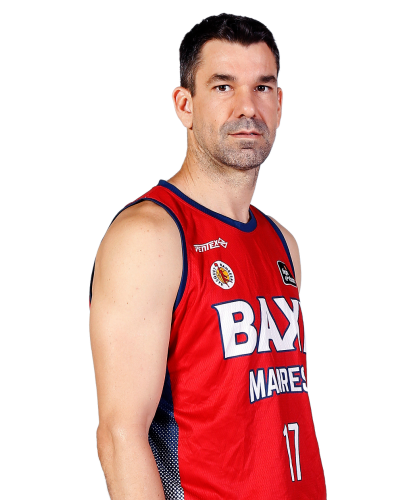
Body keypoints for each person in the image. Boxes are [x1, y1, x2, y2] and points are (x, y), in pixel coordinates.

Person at [89, 12, 327, 500]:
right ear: (184, 104)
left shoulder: (283, 242)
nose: (248, 107)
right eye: (223, 87)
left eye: (262, 87)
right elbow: (119, 435)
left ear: (280, 102)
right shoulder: (149, 236)